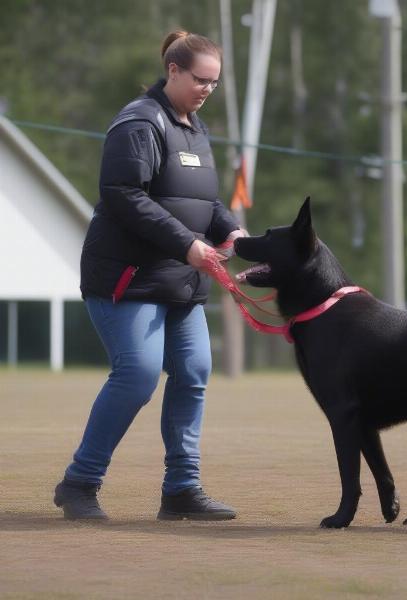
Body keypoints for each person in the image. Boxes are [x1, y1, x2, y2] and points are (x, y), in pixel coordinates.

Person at [54, 30, 246, 521]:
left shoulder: (196, 129)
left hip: (180, 282)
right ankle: (79, 483)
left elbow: (204, 203)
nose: (207, 89)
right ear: (174, 70)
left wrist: (233, 234)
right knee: (138, 375)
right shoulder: (139, 122)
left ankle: (181, 490)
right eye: (200, 79)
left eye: (215, 83)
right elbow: (123, 193)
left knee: (194, 371)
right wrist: (187, 244)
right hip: (128, 278)